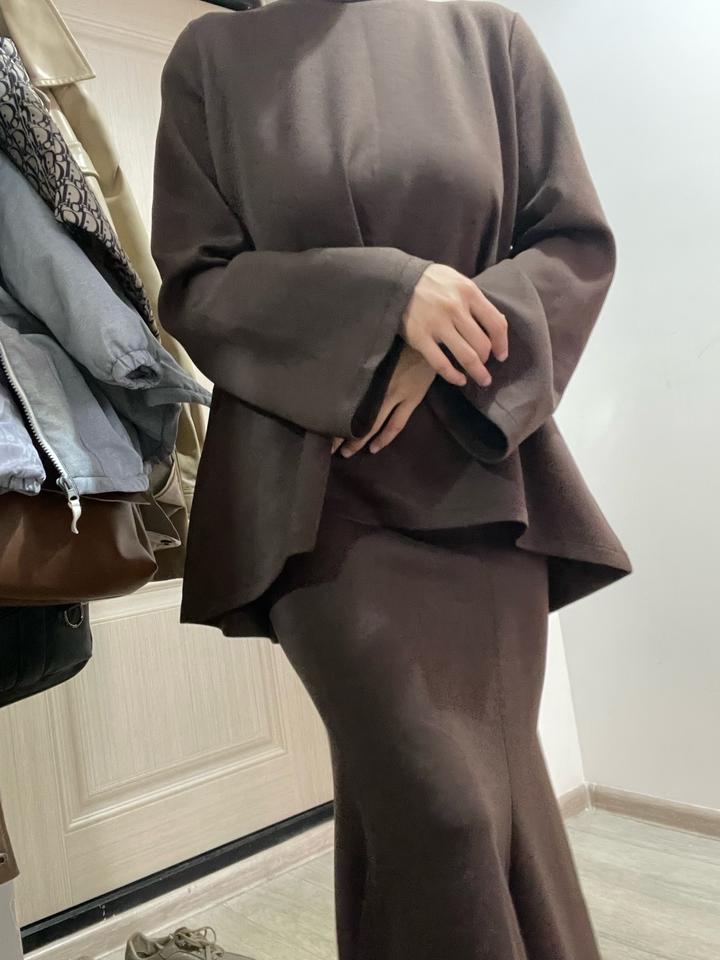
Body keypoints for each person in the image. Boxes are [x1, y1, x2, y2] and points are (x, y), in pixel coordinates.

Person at [150, 1, 633, 957]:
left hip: (481, 486)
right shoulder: (214, 56)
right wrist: (388, 300)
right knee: (446, 811)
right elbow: (197, 284)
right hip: (316, 496)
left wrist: (455, 326)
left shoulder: (487, 37)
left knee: (476, 808)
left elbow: (575, 246)